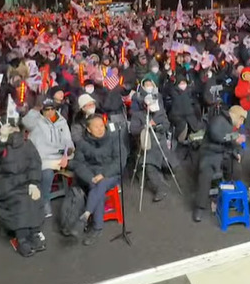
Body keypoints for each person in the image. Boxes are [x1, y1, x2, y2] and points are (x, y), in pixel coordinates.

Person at [0, 124, 46, 257]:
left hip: (26, 181)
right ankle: (21, 238)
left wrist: (33, 182)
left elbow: (35, 164)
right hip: (7, 183)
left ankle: (34, 233)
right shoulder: (0, 146)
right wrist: (2, 139)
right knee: (19, 200)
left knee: (33, 198)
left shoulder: (28, 144)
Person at [67, 115, 123, 246]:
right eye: (96, 127)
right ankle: (95, 225)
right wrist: (90, 178)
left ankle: (88, 218)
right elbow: (78, 164)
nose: (100, 129)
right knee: (97, 185)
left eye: (101, 126)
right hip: (92, 176)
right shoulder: (82, 144)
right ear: (88, 129)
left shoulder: (113, 139)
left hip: (111, 174)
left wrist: (104, 174)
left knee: (101, 183)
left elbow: (120, 160)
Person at [193, 105, 247, 223]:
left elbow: (238, 146)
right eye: (241, 119)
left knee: (236, 167)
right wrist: (234, 138)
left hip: (225, 154)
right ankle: (200, 207)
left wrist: (238, 153)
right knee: (205, 174)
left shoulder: (235, 128)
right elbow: (216, 135)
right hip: (210, 153)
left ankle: (228, 195)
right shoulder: (218, 120)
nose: (241, 123)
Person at [22, 97, 73, 219]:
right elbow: (26, 123)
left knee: (79, 165)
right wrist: (35, 109)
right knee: (47, 174)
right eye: (46, 110)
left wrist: (66, 153)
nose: (49, 112)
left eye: (52, 109)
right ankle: (45, 200)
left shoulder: (62, 121)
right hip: (43, 158)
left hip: (61, 156)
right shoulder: (36, 121)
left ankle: (76, 201)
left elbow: (68, 141)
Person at [129, 84, 175, 202]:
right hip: (147, 143)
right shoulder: (138, 115)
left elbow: (166, 125)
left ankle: (166, 171)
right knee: (149, 166)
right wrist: (145, 127)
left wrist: (158, 127)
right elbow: (133, 130)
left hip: (161, 141)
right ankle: (160, 188)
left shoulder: (160, 113)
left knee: (169, 163)